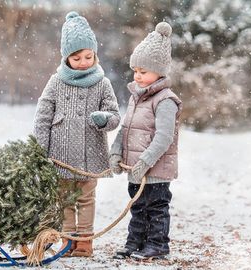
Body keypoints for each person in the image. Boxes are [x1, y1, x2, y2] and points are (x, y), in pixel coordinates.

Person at [33, 11, 120, 257]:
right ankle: (68, 240)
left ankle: (85, 242)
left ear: (95, 55)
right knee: (65, 200)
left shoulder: (102, 83)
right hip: (60, 154)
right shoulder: (56, 82)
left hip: (89, 154)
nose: (83, 62)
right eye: (76, 57)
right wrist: (41, 150)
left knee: (86, 198)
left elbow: (114, 115)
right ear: (66, 58)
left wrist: (105, 120)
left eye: (88, 56)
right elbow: (42, 117)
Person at [109, 22, 182, 260]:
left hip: (155, 169)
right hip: (135, 170)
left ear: (159, 72)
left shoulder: (165, 100)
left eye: (144, 72)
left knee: (156, 208)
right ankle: (135, 242)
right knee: (137, 208)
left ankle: (157, 244)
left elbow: (164, 137)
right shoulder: (136, 97)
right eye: (136, 71)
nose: (138, 76)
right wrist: (116, 152)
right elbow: (126, 128)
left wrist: (145, 161)